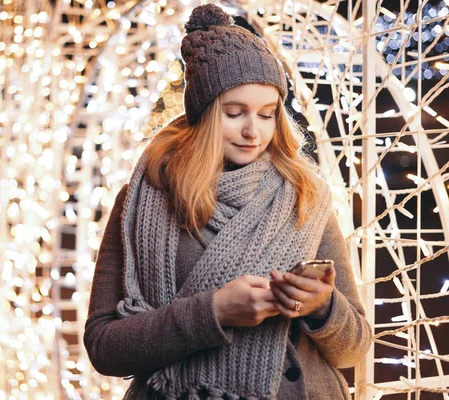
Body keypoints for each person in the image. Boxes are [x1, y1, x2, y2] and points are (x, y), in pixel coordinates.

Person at [84, 4, 372, 399]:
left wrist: (323, 309)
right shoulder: (148, 195)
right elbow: (105, 347)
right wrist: (213, 312)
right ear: (203, 114)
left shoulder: (304, 194)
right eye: (234, 113)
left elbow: (352, 349)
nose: (253, 131)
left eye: (268, 114)